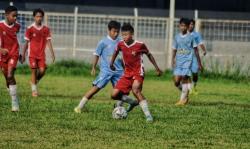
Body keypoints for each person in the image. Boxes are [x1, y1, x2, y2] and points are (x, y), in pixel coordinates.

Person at [74, 20, 137, 113]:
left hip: (119, 71)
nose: (116, 34)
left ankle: (118, 108)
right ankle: (79, 106)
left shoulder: (121, 41)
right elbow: (97, 54)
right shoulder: (103, 42)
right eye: (114, 31)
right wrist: (93, 67)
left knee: (122, 92)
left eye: (117, 32)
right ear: (109, 30)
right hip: (106, 71)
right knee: (95, 89)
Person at [110, 23, 162, 122]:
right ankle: (133, 102)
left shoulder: (139, 45)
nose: (124, 37)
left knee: (135, 90)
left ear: (132, 34)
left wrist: (157, 68)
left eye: (126, 34)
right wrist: (111, 63)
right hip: (127, 73)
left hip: (138, 72)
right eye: (123, 35)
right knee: (114, 95)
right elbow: (115, 52)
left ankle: (148, 116)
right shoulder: (120, 44)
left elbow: (149, 55)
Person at [21, 8, 55, 97]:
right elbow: (26, 42)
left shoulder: (46, 29)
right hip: (32, 54)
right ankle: (34, 91)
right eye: (37, 16)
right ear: (34, 17)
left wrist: (52, 54)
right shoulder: (30, 29)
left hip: (41, 54)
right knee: (34, 71)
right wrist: (23, 54)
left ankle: (33, 82)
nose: (39, 18)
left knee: (42, 71)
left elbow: (48, 41)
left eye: (40, 16)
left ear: (42, 17)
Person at [172, 18, 202, 106]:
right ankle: (185, 92)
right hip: (179, 62)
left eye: (185, 26)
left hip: (187, 62)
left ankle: (182, 100)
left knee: (185, 78)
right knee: (176, 81)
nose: (183, 27)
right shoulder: (177, 37)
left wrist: (199, 63)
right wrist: (173, 59)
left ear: (188, 27)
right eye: (181, 25)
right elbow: (174, 49)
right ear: (179, 26)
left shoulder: (191, 37)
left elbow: (196, 50)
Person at [0, 6, 21, 112]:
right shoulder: (0, 26)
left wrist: (19, 54)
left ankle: (14, 104)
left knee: (10, 74)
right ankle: (15, 97)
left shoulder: (17, 26)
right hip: (3, 55)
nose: (15, 18)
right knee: (7, 78)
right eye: (13, 15)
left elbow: (16, 40)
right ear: (6, 15)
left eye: (16, 16)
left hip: (14, 53)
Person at [189, 19, 206, 94]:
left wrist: (204, 50)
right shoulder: (184, 34)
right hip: (186, 56)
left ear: (194, 25)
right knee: (186, 72)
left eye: (192, 24)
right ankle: (189, 89)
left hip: (195, 56)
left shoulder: (196, 34)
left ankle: (194, 86)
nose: (191, 26)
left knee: (195, 72)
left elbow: (200, 43)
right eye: (189, 24)